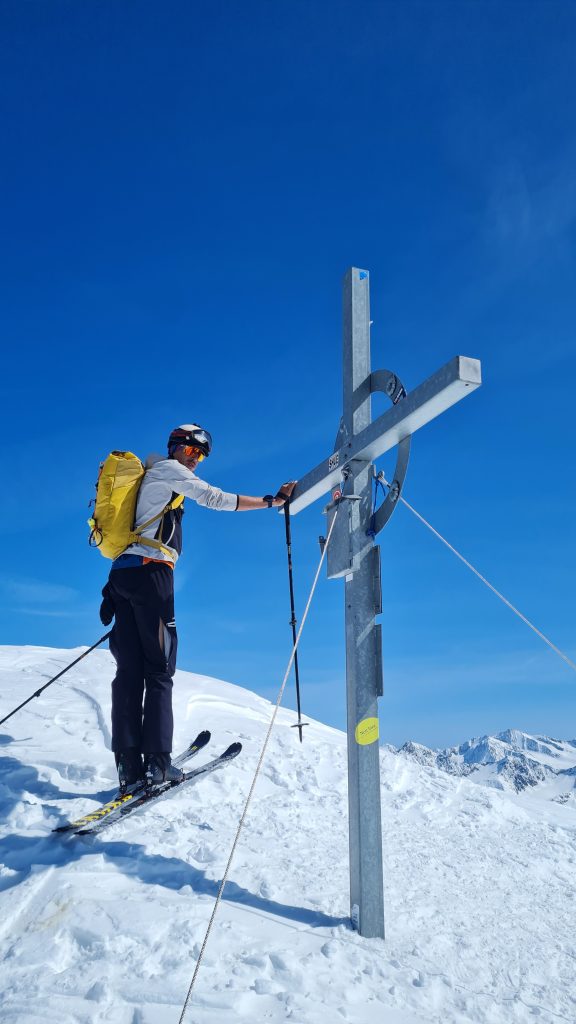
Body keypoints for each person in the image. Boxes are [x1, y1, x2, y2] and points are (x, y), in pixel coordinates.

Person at [100, 423, 296, 792]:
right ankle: (157, 764)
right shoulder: (169, 471)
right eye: (191, 450)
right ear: (174, 447)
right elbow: (215, 498)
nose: (195, 460)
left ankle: (128, 765)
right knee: (160, 670)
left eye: (201, 456)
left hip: (123, 576)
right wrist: (272, 501)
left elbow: (132, 537)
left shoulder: (148, 479)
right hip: (152, 574)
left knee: (129, 672)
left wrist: (110, 592)